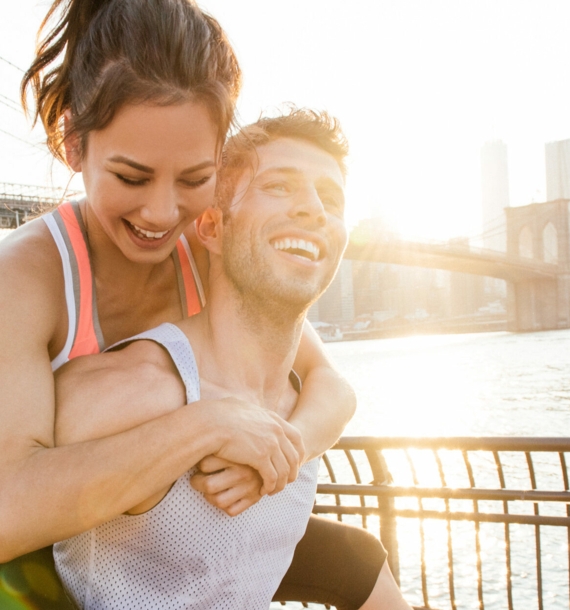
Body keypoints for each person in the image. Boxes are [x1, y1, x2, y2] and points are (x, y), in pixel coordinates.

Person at [0, 1, 390, 609]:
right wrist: (209, 422)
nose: (162, 215)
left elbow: (329, 386)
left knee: (358, 559)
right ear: (73, 143)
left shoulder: (206, 244)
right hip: (39, 568)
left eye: (193, 179)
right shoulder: (26, 277)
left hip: (159, 541)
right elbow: (8, 511)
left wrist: (271, 455)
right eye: (131, 177)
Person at [50, 107, 410, 610]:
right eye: (279, 187)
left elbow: (338, 390)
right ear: (212, 229)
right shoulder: (146, 387)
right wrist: (203, 427)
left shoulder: (301, 403)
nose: (313, 209)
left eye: (330, 198)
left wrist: (288, 451)